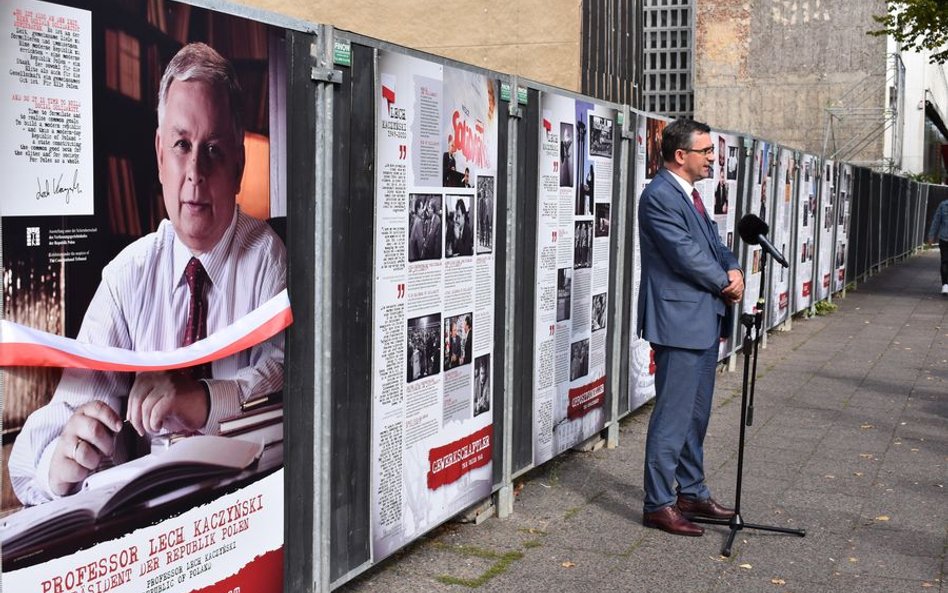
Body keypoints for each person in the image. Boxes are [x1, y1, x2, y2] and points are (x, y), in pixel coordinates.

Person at [9, 43, 286, 505]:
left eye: (214, 150)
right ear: (160, 156)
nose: (195, 173)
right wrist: (61, 461)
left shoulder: (267, 258)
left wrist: (202, 398)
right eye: (181, 146)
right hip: (143, 520)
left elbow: (286, 383)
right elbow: (50, 432)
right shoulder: (126, 276)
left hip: (242, 510)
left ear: (239, 164)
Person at [636, 118, 743, 537]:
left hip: (702, 319)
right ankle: (658, 503)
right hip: (679, 322)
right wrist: (723, 282)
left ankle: (692, 493)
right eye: (707, 152)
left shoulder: (692, 196)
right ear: (681, 155)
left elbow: (714, 244)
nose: (713, 159)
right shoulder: (659, 195)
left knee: (695, 416)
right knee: (673, 416)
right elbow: (683, 255)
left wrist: (732, 266)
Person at [927, 196, 948, 295]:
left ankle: (945, 285)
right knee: (945, 261)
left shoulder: (943, 205)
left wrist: (931, 235)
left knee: (945, 261)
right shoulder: (943, 205)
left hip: (944, 238)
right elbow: (936, 221)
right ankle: (945, 285)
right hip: (944, 238)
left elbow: (936, 221)